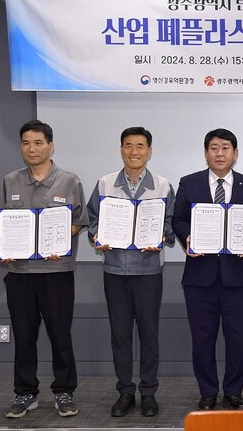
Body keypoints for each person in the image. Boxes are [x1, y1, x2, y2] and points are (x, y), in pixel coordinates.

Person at [0, 120, 89, 419]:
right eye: (26, 143)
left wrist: (61, 237)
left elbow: (80, 221)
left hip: (56, 272)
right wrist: (6, 250)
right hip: (20, 274)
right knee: (23, 337)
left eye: (38, 143)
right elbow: (4, 223)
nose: (31, 149)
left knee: (60, 335)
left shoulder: (69, 181)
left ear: (51, 146)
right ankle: (25, 393)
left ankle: (64, 391)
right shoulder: (10, 181)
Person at [87, 126, 175, 417]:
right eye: (128, 145)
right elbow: (92, 218)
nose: (134, 151)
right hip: (114, 271)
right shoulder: (104, 184)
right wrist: (97, 236)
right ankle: (125, 391)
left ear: (149, 151)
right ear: (121, 149)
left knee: (149, 334)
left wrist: (161, 235)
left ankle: (148, 392)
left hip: (148, 272)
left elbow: (171, 223)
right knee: (120, 335)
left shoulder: (163, 186)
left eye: (140, 146)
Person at [172, 128, 243, 410]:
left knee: (237, 339)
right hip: (200, 276)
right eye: (213, 148)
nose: (219, 153)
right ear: (206, 152)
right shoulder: (190, 182)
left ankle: (233, 391)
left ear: (235, 153)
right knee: (202, 339)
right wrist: (187, 236)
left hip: (237, 276)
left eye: (225, 148)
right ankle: (207, 391)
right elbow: (178, 219)